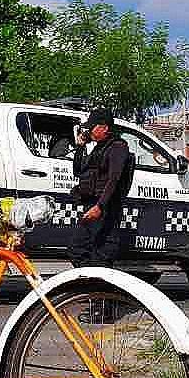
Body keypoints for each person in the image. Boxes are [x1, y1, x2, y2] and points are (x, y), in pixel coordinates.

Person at [69, 108, 133, 267]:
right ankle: (92, 283)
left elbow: (114, 180)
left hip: (105, 208)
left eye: (92, 126)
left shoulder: (118, 147)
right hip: (95, 205)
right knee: (79, 249)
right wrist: (80, 147)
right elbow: (78, 170)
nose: (89, 130)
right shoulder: (99, 148)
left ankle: (96, 285)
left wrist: (100, 206)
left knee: (98, 253)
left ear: (104, 127)